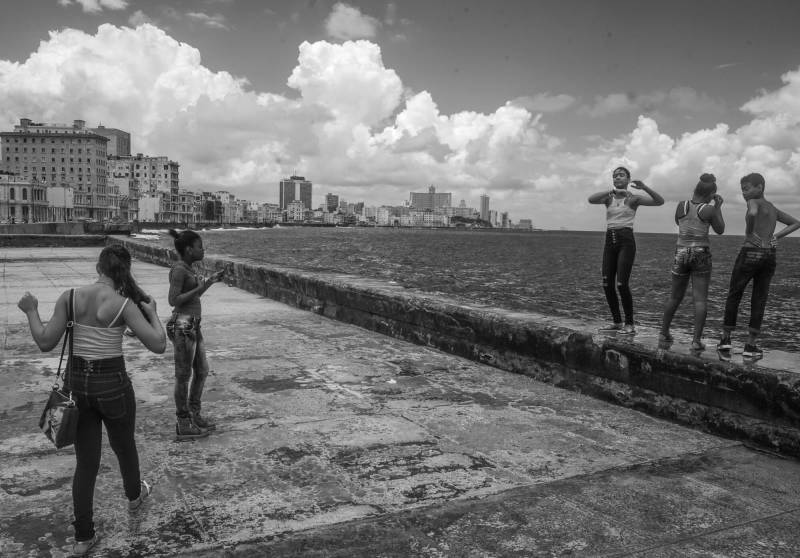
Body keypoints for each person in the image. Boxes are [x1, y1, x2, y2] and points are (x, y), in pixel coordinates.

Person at [17, 245, 166, 557]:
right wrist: (151, 313)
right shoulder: (123, 303)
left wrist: (31, 309)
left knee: (86, 464)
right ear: (125, 270)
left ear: (99, 266)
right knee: (124, 446)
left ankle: (84, 537)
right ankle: (134, 495)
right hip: (112, 385)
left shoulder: (70, 297)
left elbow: (45, 341)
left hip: (77, 388)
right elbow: (158, 344)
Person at [717, 173, 800, 358]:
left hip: (750, 253)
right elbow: (796, 223)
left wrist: (748, 232)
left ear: (760, 187)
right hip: (769, 254)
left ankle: (725, 340)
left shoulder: (753, 202)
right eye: (742, 190)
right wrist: (775, 237)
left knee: (734, 294)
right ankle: (750, 345)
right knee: (759, 299)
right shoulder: (772, 207)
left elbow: (753, 212)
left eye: (746, 188)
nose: (744, 193)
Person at [588, 166, 664, 334]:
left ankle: (630, 324)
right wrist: (611, 191)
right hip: (610, 241)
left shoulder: (633, 199)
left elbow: (660, 201)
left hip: (626, 242)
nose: (617, 178)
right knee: (607, 284)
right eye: (615, 176)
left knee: (622, 284)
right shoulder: (608, 199)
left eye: (621, 175)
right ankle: (617, 322)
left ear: (628, 180)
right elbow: (590, 199)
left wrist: (644, 187)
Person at [167, 229, 225, 440]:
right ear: (189, 249)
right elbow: (174, 300)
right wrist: (198, 287)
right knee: (183, 375)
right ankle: (183, 422)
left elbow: (194, 295)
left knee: (201, 370)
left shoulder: (188, 269)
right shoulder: (179, 270)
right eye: (200, 246)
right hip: (182, 325)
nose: (203, 250)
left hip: (193, 325)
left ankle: (194, 414)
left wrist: (209, 282)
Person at [659, 174, 725, 350]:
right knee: (700, 300)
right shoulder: (709, 210)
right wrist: (717, 207)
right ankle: (696, 341)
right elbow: (720, 230)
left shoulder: (682, 205)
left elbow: (678, 222)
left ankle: (663, 333)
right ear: (711, 194)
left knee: (674, 296)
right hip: (701, 252)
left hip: (681, 251)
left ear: (695, 189)